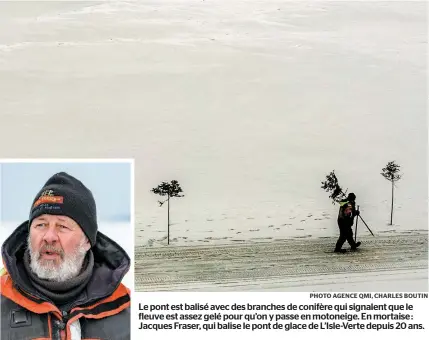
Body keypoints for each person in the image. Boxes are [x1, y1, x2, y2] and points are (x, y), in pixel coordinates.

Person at [1, 172, 131, 340]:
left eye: (62, 226)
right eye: (41, 224)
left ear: (87, 241)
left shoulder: (124, 306)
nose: (49, 236)